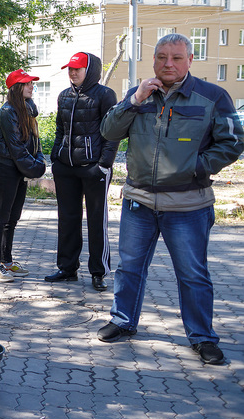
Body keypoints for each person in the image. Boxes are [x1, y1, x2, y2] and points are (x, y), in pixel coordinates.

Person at [97, 33, 243, 365]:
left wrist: (197, 167)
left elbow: (233, 142)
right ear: (154, 61)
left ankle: (202, 336)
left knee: (193, 274)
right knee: (130, 268)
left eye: (176, 58)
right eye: (162, 57)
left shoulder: (212, 96)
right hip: (139, 202)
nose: (168, 64)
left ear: (190, 60)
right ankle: (123, 321)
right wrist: (133, 100)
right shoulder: (141, 95)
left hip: (188, 206)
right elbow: (109, 131)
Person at [46, 52, 119, 290]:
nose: (73, 72)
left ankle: (99, 271)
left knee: (97, 221)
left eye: (77, 68)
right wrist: (55, 157)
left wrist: (104, 164)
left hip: (93, 168)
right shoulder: (64, 96)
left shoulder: (105, 95)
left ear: (91, 70)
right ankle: (67, 269)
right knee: (67, 219)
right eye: (70, 69)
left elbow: (113, 132)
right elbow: (60, 130)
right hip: (65, 168)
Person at [0, 69, 47, 283]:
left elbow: (34, 142)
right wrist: (36, 168)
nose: (31, 86)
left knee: (12, 218)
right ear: (16, 88)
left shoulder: (27, 109)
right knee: (1, 217)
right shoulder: (7, 112)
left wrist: (38, 160)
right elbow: (16, 148)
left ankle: (7, 261)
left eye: (31, 83)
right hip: (8, 168)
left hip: (20, 168)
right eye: (27, 83)